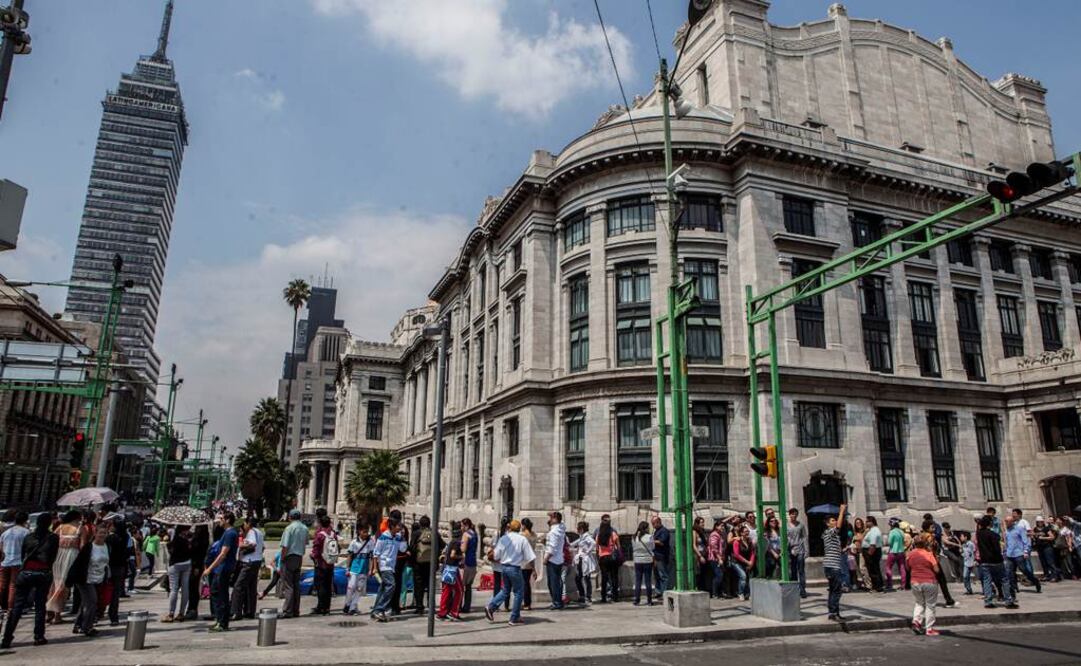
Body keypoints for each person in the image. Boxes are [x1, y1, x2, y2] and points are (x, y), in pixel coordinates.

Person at [1, 513, 59, 649]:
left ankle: (7, 638)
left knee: (17, 607)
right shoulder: (53, 537)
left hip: (25, 572)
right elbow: (52, 557)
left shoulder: (29, 536)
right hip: (42, 573)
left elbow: (23, 555)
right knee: (39, 606)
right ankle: (38, 636)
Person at [484, 519, 535, 626]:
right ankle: (514, 617)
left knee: (505, 590)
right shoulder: (522, 539)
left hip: (504, 568)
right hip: (515, 568)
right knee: (519, 592)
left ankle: (491, 607)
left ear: (510, 528)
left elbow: (496, 555)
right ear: (519, 528)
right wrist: (534, 569)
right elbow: (529, 556)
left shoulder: (504, 538)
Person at [65, 522, 110, 638]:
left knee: (86, 603)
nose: (102, 535)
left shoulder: (106, 546)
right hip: (85, 579)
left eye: (105, 533)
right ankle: (87, 627)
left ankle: (78, 625)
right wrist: (71, 579)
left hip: (98, 579)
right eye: (100, 533)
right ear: (95, 533)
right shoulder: (89, 547)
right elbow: (79, 563)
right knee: (92, 603)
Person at [202, 511, 238, 632]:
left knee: (221, 594)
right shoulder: (227, 533)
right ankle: (219, 619)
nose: (220, 520)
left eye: (222, 518)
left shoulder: (230, 533)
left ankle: (222, 622)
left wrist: (210, 568)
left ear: (227, 520)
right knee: (216, 592)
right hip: (221, 567)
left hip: (223, 568)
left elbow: (223, 554)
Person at [45, 511, 81, 624]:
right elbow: (82, 545)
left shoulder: (60, 527)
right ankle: (56, 614)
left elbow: (51, 540)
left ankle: (50, 610)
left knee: (55, 584)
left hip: (58, 557)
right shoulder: (79, 528)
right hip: (71, 557)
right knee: (63, 586)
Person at [370, 517, 407, 622]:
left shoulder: (398, 537)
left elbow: (402, 549)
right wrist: (375, 568)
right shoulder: (383, 537)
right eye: (398, 526)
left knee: (383, 588)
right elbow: (376, 554)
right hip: (384, 566)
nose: (400, 528)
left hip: (392, 566)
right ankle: (380, 609)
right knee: (391, 585)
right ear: (392, 526)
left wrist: (403, 538)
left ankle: (375, 611)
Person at [976, 514, 1015, 609]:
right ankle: (1008, 600)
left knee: (987, 581)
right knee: (1004, 579)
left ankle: (988, 601)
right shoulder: (993, 535)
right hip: (996, 560)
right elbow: (997, 547)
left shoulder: (979, 534)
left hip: (984, 560)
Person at [906, 533, 941, 636]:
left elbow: (907, 568)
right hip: (929, 581)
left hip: (915, 581)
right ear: (925, 544)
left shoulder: (910, 554)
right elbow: (937, 570)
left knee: (919, 603)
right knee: (930, 605)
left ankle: (916, 621)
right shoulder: (928, 554)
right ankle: (929, 628)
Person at [231, 517, 263, 620]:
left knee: (238, 586)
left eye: (244, 524)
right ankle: (250, 611)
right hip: (256, 561)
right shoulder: (259, 532)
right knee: (251, 588)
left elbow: (252, 544)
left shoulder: (251, 532)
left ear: (248, 523)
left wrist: (241, 545)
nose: (243, 526)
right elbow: (262, 547)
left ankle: (236, 612)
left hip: (249, 562)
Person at [278, 509, 309, 619]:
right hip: (299, 557)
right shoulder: (305, 528)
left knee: (288, 585)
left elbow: (285, 546)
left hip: (289, 557)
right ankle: (296, 609)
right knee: (296, 584)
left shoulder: (289, 528)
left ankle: (287, 610)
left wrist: (282, 559)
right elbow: (306, 542)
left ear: (290, 517)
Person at [1003, 513, 1041, 596]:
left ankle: (1035, 581)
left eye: (1008, 521)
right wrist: (1005, 551)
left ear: (1012, 522)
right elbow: (1007, 542)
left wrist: (1026, 551)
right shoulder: (1006, 531)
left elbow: (1025, 540)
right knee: (1010, 572)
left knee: (1023, 569)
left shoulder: (1019, 529)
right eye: (1006, 521)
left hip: (1019, 553)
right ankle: (1014, 587)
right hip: (1009, 554)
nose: (1007, 523)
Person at [0, 511, 29, 615]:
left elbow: (1, 548)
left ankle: (2, 607)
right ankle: (11, 608)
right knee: (13, 585)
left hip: (5, 562)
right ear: (25, 520)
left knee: (2, 585)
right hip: (18, 562)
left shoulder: (5, 533)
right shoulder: (26, 532)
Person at [162, 525, 192, 622]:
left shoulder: (175, 540)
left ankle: (171, 614)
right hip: (187, 563)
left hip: (175, 564)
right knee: (185, 589)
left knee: (173, 589)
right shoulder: (188, 539)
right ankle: (181, 613)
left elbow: (172, 552)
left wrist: (168, 545)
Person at [822, 504, 847, 621]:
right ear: (828, 523)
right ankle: (834, 612)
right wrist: (841, 511)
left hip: (832, 565)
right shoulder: (829, 532)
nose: (835, 521)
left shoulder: (832, 536)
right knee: (837, 590)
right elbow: (838, 527)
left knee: (833, 589)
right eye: (833, 520)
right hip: (832, 566)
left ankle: (833, 612)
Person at [310, 515, 337, 615]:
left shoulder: (320, 535)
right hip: (331, 563)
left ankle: (321, 606)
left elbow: (316, 549)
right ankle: (327, 607)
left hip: (321, 563)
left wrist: (313, 556)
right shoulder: (333, 534)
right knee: (328, 585)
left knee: (320, 585)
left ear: (321, 523)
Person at [436, 523, 464, 620]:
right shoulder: (457, 542)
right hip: (452, 570)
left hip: (447, 568)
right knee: (459, 590)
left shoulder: (452, 541)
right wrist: (461, 557)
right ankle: (454, 612)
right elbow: (452, 555)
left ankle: (442, 612)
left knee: (446, 591)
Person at [344, 525, 373, 615]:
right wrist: (347, 568)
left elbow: (371, 557)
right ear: (359, 531)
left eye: (366, 531)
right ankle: (347, 604)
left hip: (363, 570)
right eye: (364, 531)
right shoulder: (353, 542)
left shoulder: (370, 542)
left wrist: (370, 569)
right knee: (351, 588)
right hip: (354, 569)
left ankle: (353, 607)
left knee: (359, 589)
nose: (365, 534)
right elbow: (349, 556)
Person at [105, 519, 130, 626]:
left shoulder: (110, 538)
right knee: (115, 594)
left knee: (102, 590)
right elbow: (129, 551)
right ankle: (114, 617)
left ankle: (98, 614)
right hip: (120, 567)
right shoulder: (126, 537)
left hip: (109, 567)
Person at [410, 516, 435, 615]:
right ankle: (431, 605)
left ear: (420, 524)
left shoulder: (416, 533)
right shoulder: (434, 533)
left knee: (418, 586)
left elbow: (411, 547)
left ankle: (419, 607)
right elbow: (441, 545)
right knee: (430, 585)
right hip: (431, 564)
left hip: (418, 563)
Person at [543, 511, 567, 610]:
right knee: (557, 582)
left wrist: (545, 559)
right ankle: (558, 601)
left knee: (553, 583)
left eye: (551, 518)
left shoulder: (553, 532)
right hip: (559, 559)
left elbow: (552, 548)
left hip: (552, 560)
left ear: (555, 519)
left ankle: (556, 602)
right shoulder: (561, 529)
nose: (549, 520)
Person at [185, 524, 209, 620]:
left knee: (193, 587)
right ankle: (192, 609)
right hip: (197, 565)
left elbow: (196, 552)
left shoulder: (200, 540)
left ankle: (192, 609)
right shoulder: (203, 538)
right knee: (193, 587)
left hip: (196, 565)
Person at [595, 515, 621, 603]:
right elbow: (618, 545)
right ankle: (615, 596)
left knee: (604, 578)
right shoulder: (612, 533)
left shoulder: (599, 534)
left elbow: (596, 547)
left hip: (602, 557)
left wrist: (598, 557)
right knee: (614, 577)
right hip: (612, 557)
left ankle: (603, 597)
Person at [571, 521, 596, 604]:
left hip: (585, 559)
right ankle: (582, 595)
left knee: (586, 578)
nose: (577, 530)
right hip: (581, 559)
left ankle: (588, 596)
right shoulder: (582, 537)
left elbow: (593, 543)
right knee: (579, 578)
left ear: (581, 529)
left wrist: (587, 551)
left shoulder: (587, 537)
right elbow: (574, 543)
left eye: (578, 528)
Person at [631, 521, 654, 606]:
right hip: (647, 560)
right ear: (646, 528)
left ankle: (637, 600)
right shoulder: (649, 537)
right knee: (648, 581)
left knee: (638, 581)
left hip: (637, 560)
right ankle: (649, 600)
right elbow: (652, 547)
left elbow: (634, 548)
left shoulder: (634, 537)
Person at [729, 525, 755, 601]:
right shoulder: (737, 541)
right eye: (745, 531)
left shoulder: (750, 541)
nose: (747, 533)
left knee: (749, 578)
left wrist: (751, 563)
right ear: (741, 533)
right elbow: (736, 554)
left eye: (748, 531)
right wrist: (747, 562)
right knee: (743, 576)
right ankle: (740, 593)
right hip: (736, 562)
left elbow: (753, 553)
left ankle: (748, 594)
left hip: (747, 562)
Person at [786, 509, 808, 598]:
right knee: (793, 570)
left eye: (795, 514)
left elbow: (804, 537)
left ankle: (802, 589)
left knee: (801, 570)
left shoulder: (801, 525)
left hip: (800, 549)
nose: (793, 516)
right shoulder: (786, 525)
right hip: (790, 549)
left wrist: (806, 550)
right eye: (792, 514)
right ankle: (794, 589)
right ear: (789, 515)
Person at [1033, 516, 1060, 582]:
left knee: (1050, 562)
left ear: (1043, 522)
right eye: (1038, 522)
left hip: (1047, 547)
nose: (1040, 523)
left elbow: (1052, 537)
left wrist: (1043, 538)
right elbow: (1034, 536)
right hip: (1040, 547)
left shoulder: (1046, 528)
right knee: (1043, 562)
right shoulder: (1035, 529)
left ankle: (1055, 576)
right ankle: (1047, 575)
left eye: (1041, 521)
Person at [460, 518, 479, 613]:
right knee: (468, 586)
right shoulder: (475, 534)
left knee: (460, 586)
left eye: (462, 526)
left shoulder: (466, 535)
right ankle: (467, 606)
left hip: (466, 562)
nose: (461, 528)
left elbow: (463, 549)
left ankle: (458, 606)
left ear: (466, 525)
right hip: (473, 562)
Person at [884, 518, 907, 591]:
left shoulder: (892, 532)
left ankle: (889, 584)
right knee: (902, 568)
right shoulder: (901, 532)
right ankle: (903, 585)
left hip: (893, 552)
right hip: (901, 551)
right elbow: (904, 541)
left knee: (888, 567)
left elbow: (889, 542)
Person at [862, 516, 884, 592]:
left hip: (872, 552)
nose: (866, 523)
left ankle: (877, 587)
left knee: (873, 570)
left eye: (867, 521)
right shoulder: (872, 530)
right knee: (874, 569)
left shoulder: (874, 531)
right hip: (873, 551)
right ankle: (878, 586)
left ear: (872, 522)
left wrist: (869, 554)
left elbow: (873, 544)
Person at [651, 516, 671, 599]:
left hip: (661, 556)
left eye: (653, 523)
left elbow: (662, 542)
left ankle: (664, 592)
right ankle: (658, 591)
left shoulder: (664, 531)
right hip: (656, 556)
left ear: (658, 522)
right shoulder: (656, 531)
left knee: (663, 575)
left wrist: (651, 541)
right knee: (657, 575)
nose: (653, 526)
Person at [519, 518, 537, 610]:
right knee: (527, 583)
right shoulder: (534, 535)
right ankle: (527, 602)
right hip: (531, 561)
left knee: (524, 583)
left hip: (523, 561)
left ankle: (526, 603)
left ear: (524, 525)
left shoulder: (522, 535)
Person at [707, 519, 726, 599]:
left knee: (720, 575)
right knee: (719, 575)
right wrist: (719, 558)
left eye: (723, 526)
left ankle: (719, 593)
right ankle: (715, 593)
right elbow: (714, 547)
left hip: (719, 558)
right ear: (716, 527)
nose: (723, 527)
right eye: (721, 526)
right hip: (714, 558)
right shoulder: (714, 535)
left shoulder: (719, 534)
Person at [960, 530, 977, 595]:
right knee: (965, 577)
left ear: (966, 537)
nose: (960, 538)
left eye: (961, 536)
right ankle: (969, 589)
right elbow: (964, 554)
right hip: (966, 562)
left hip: (971, 562)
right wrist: (961, 552)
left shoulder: (971, 544)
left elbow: (974, 552)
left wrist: (975, 560)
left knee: (966, 576)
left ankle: (969, 589)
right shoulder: (964, 545)